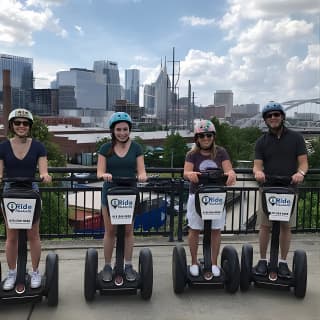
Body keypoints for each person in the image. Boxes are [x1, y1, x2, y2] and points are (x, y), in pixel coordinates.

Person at [253, 101, 308, 279]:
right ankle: (262, 260)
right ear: (265, 120)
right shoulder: (261, 141)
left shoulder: (296, 138)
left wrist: (300, 173)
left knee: (286, 226)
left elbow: (303, 163)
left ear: (282, 117)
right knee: (264, 225)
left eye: (276, 115)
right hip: (268, 189)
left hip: (289, 188)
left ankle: (283, 262)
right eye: (269, 116)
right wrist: (258, 173)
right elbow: (257, 166)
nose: (273, 118)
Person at [0, 108, 52, 291]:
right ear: (12, 125)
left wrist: (45, 175)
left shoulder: (38, 146)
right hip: (10, 191)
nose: (21, 126)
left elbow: (43, 170)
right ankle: (12, 272)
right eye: (17, 123)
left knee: (33, 235)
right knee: (11, 236)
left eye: (25, 123)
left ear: (29, 126)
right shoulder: (3, 147)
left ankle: (36, 271)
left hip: (31, 190)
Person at [96, 112, 147, 282]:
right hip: (110, 193)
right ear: (113, 130)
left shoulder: (136, 148)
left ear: (129, 129)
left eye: (125, 129)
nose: (122, 133)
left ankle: (128, 264)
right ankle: (108, 265)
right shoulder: (105, 148)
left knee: (127, 231)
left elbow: (142, 170)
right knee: (110, 231)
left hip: (129, 194)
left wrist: (142, 176)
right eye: (118, 129)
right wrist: (105, 175)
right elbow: (99, 171)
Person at [183, 119, 237, 277]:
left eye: (208, 135)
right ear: (197, 138)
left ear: (213, 136)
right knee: (194, 229)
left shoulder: (221, 152)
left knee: (215, 230)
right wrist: (190, 174)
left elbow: (229, 170)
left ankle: (213, 262)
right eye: (202, 136)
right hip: (197, 195)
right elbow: (186, 172)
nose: (205, 138)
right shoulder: (192, 154)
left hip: (216, 196)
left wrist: (231, 174)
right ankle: (193, 262)